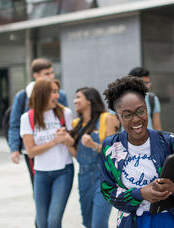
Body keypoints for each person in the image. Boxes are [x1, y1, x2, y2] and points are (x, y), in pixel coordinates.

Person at [100, 76, 174, 228]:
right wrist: (139, 194)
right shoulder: (111, 147)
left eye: (141, 111)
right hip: (132, 223)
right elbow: (108, 191)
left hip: (170, 220)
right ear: (117, 117)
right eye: (127, 115)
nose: (136, 119)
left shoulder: (170, 142)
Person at [20, 78, 74, 228]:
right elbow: (31, 152)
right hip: (41, 175)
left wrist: (66, 139)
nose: (57, 96)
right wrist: (54, 141)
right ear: (42, 94)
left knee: (54, 221)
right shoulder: (27, 118)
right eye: (53, 92)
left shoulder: (65, 113)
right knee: (42, 223)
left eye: (57, 91)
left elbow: (72, 144)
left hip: (63, 172)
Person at [8, 58, 68, 189]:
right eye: (47, 73)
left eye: (52, 73)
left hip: (57, 147)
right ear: (36, 75)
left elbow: (66, 122)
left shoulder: (60, 94)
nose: (51, 76)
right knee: (38, 186)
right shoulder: (23, 95)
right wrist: (14, 149)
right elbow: (14, 124)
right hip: (34, 148)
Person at [67, 87, 119, 228]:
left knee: (99, 224)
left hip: (103, 177)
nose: (75, 101)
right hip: (84, 176)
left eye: (78, 97)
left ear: (89, 101)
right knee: (88, 223)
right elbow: (78, 156)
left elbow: (113, 153)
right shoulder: (76, 124)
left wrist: (94, 145)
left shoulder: (106, 119)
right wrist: (67, 143)